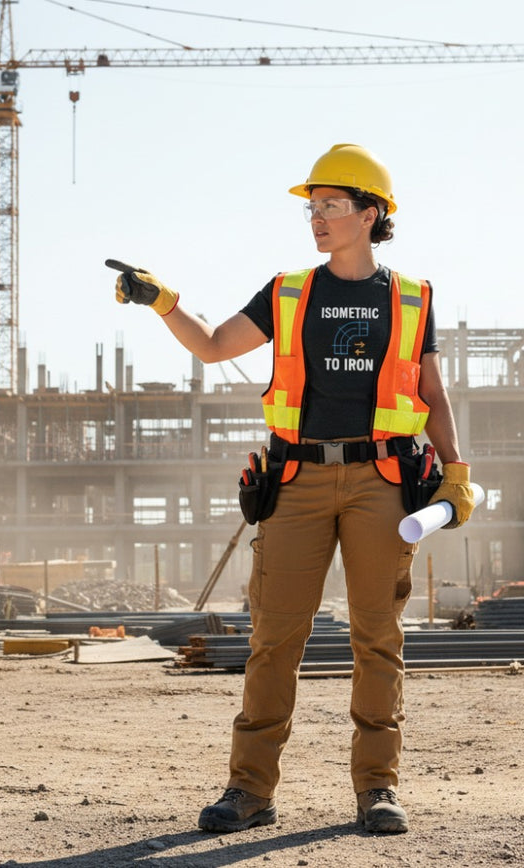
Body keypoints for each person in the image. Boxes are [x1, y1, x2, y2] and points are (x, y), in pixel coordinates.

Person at [106, 143, 475, 835]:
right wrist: (163, 303)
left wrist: (455, 471)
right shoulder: (287, 292)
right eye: (313, 207)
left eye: (332, 205)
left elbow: (433, 391)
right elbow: (215, 345)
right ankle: (249, 791)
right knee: (274, 638)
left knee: (377, 638)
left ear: (372, 214)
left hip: (384, 481)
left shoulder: (411, 296)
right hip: (297, 479)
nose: (318, 218)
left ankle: (378, 790)